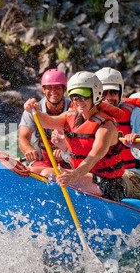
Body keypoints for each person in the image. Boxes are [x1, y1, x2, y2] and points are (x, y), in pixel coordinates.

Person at [24, 71, 126, 202]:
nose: (78, 101)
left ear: (96, 94)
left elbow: (92, 158)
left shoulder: (106, 127)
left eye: (83, 97)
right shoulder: (70, 115)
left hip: (110, 185)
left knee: (47, 174)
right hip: (86, 176)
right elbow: (48, 121)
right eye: (74, 97)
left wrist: (73, 176)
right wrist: (34, 111)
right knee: (32, 171)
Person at [95, 67, 140, 200]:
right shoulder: (87, 116)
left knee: (110, 184)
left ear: (120, 92)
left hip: (135, 177)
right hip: (99, 175)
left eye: (113, 92)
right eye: (103, 93)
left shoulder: (136, 114)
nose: (108, 98)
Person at [19, 69, 72, 173]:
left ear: (64, 89)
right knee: (34, 171)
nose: (53, 91)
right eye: (49, 87)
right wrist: (29, 150)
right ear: (43, 89)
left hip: (70, 161)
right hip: (43, 161)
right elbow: (23, 138)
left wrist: (66, 151)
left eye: (57, 87)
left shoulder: (73, 109)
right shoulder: (32, 111)